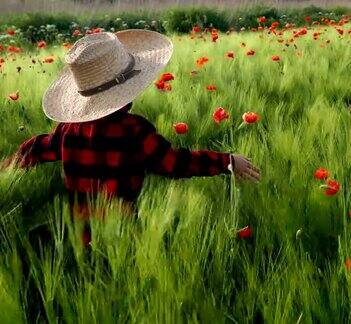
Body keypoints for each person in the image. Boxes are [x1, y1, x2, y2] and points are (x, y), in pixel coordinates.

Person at [0, 29, 260, 245]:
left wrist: (8, 166)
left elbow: (36, 148)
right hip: (122, 233)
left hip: (77, 232)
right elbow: (174, 163)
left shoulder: (68, 129)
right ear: (128, 88)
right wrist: (227, 161)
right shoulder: (135, 131)